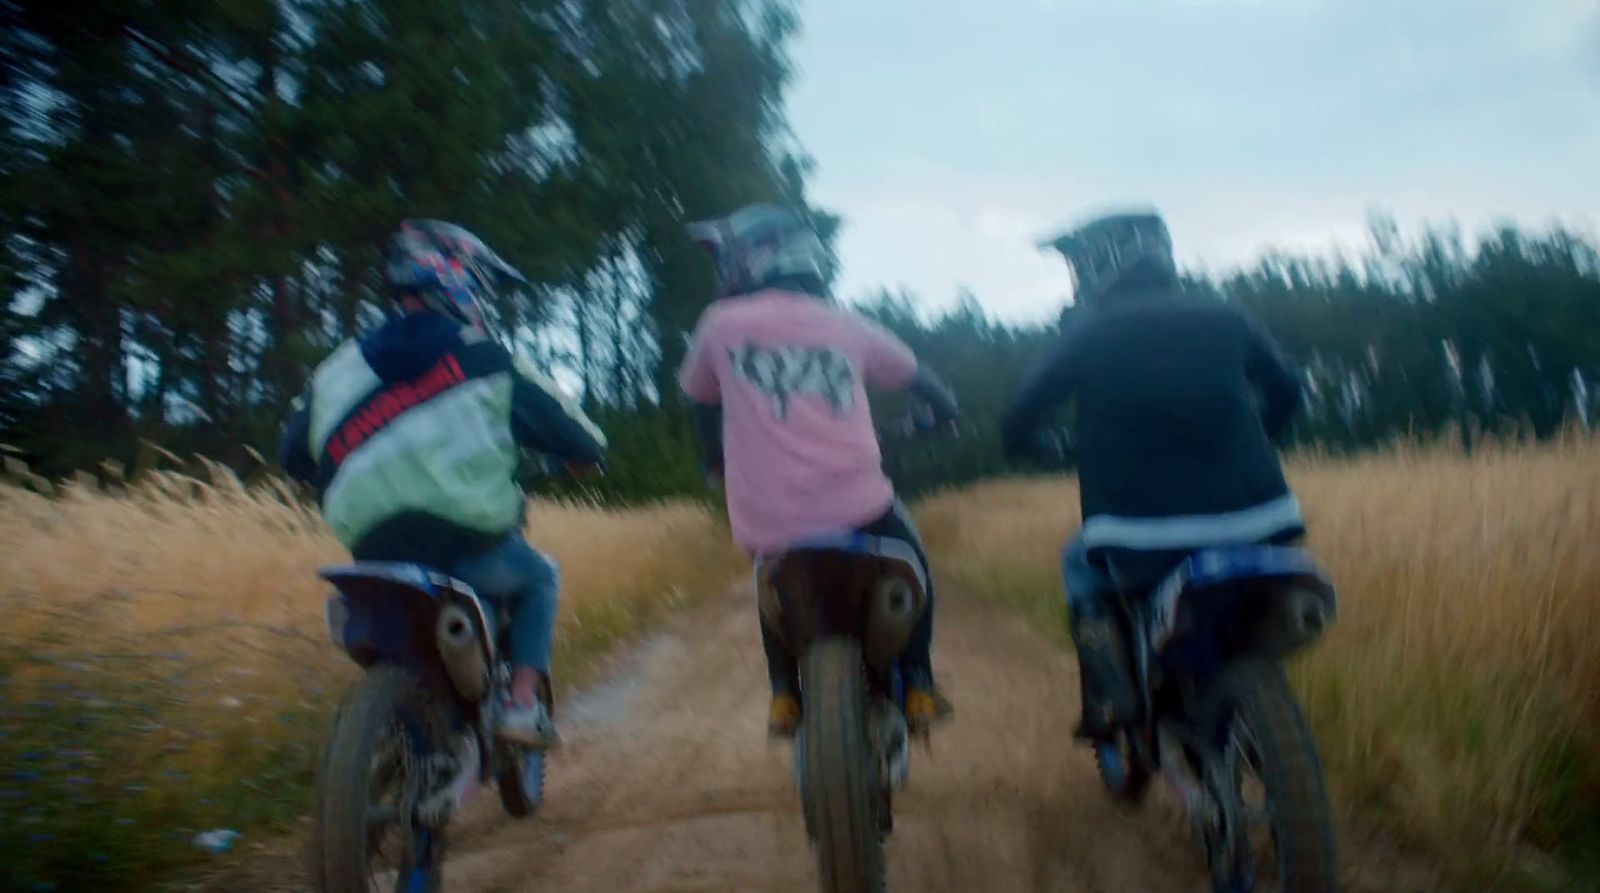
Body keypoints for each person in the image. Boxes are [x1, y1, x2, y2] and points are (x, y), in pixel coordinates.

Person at [280, 219, 607, 747]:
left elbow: (291, 453)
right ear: (460, 282)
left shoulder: (337, 369)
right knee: (538, 578)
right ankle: (522, 707)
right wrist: (581, 460)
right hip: (465, 542)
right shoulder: (487, 357)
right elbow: (584, 441)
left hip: (371, 549)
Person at [1001, 208, 1304, 743]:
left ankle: (1113, 695)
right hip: (1265, 520)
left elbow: (1021, 416)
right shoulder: (1226, 316)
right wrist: (1255, 439)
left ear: (1101, 265)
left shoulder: (1088, 331)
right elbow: (1288, 392)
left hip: (1138, 534)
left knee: (1078, 564)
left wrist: (1038, 448)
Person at [677, 203, 959, 737]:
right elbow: (924, 381)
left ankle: (784, 694)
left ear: (747, 261)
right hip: (860, 508)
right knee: (914, 561)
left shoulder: (719, 327)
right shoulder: (847, 324)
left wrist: (715, 459)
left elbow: (699, 400)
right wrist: (944, 415)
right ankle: (919, 681)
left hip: (768, 518)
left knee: (775, 587)